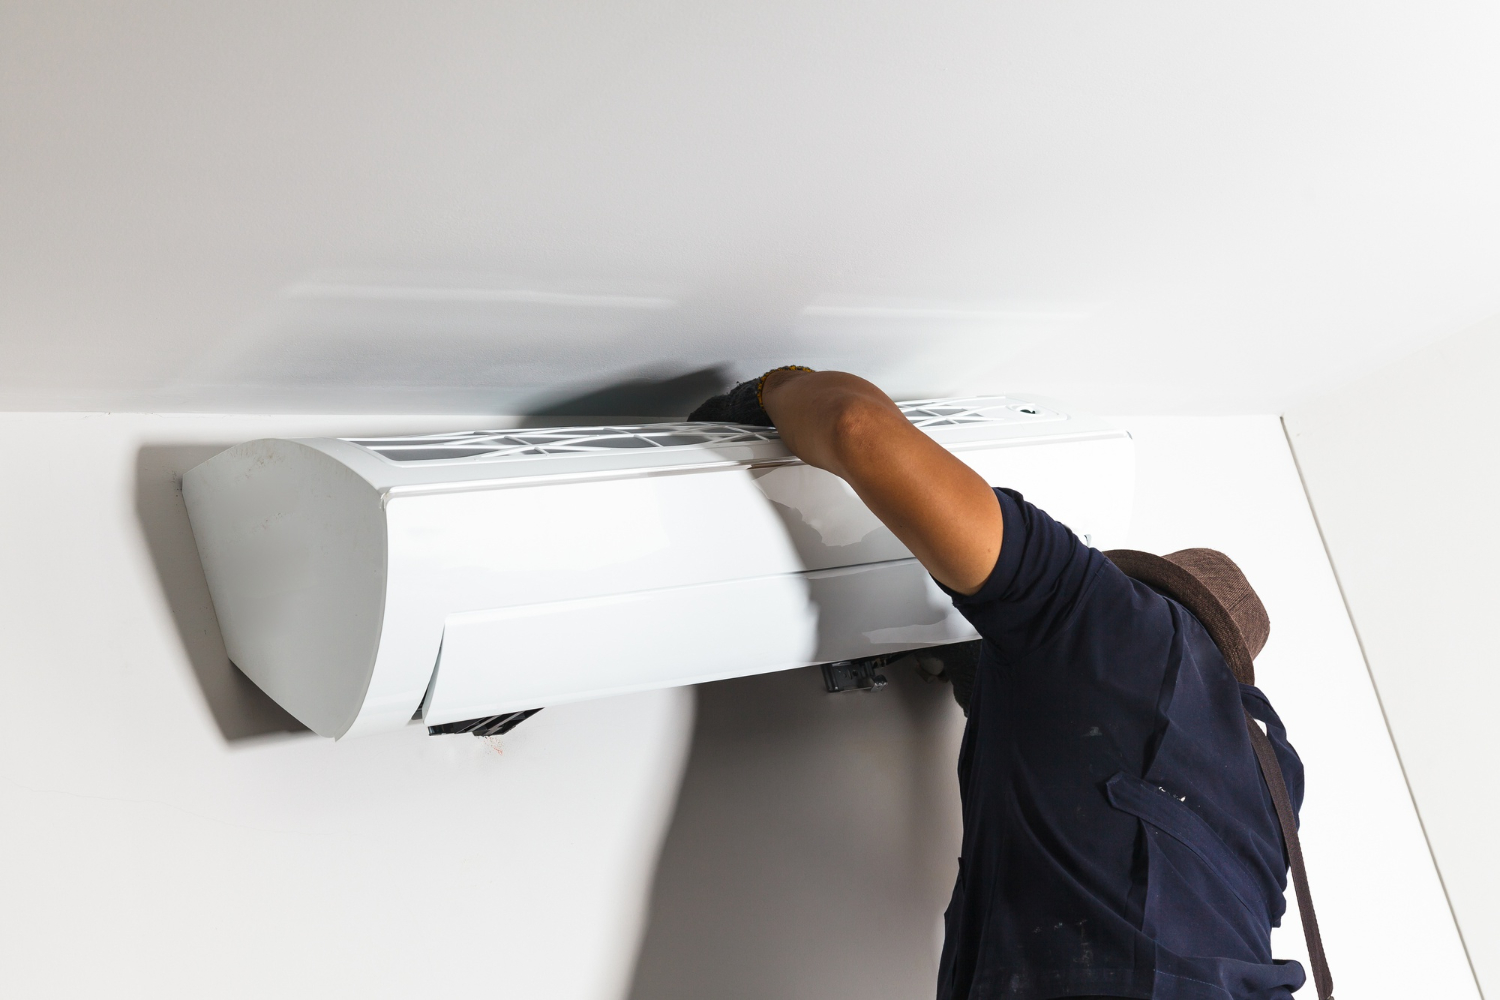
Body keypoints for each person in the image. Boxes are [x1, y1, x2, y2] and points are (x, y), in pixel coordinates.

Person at [690, 368, 1325, 1000]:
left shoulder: (1103, 616)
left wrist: (766, 395)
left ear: (1134, 583)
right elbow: (1097, 782)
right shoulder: (1272, 785)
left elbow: (857, 426)